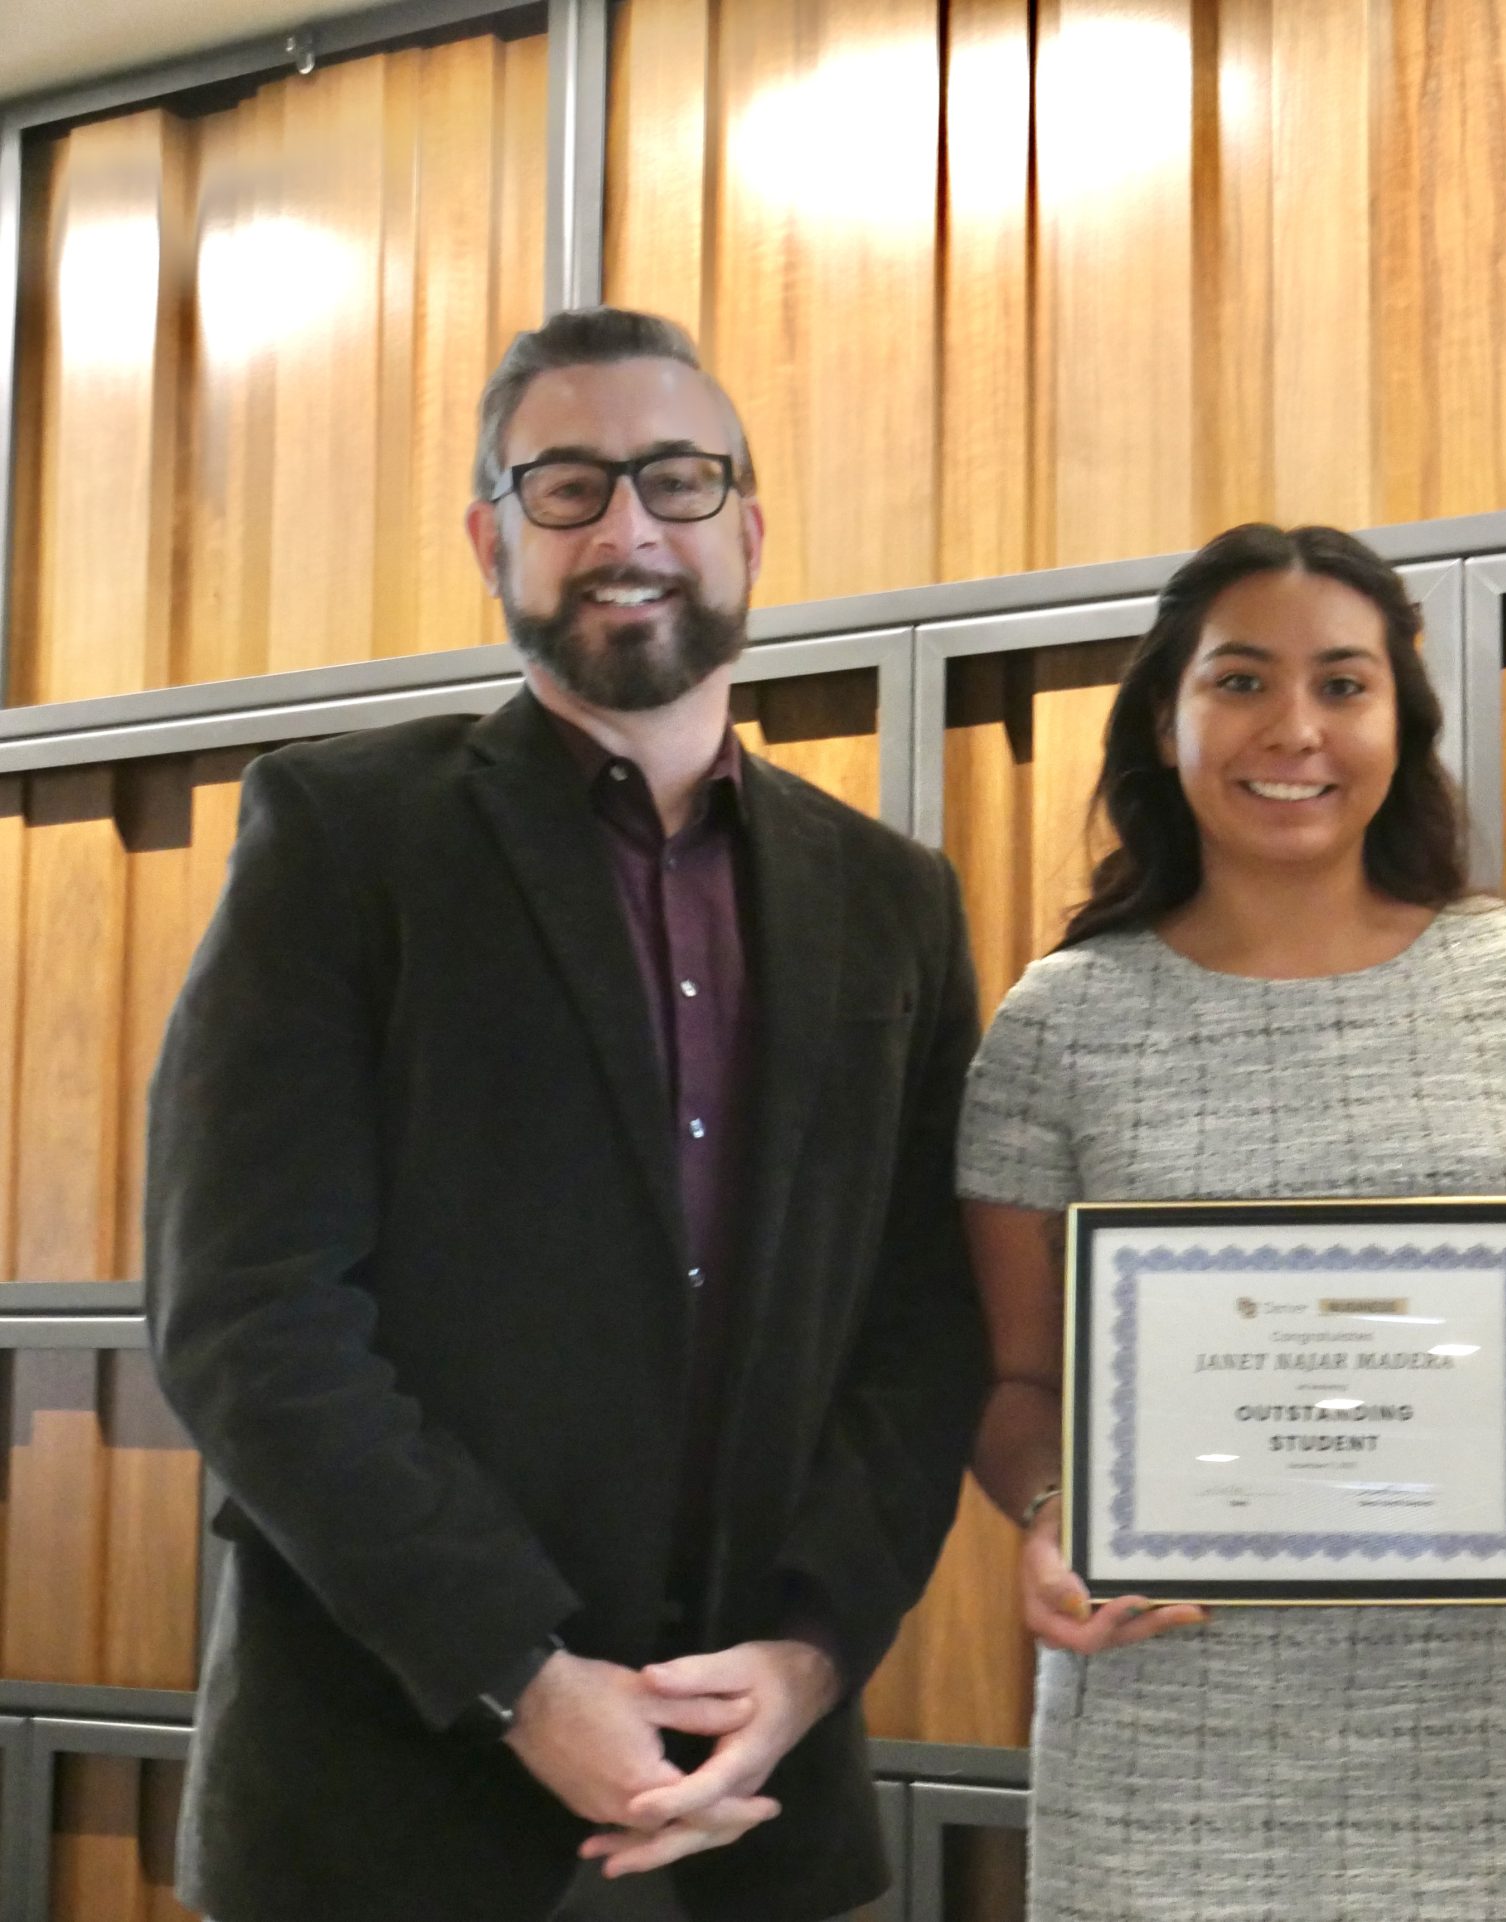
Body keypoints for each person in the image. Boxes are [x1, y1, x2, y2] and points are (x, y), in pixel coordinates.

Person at [145, 307, 985, 1922]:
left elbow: (925, 1325)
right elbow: (249, 1316)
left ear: (747, 522)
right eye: (568, 486)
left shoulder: (893, 899)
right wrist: (523, 1674)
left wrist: (808, 1659)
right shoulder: (340, 835)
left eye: (677, 480)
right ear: (490, 535)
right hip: (389, 1796)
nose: (628, 528)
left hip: (760, 1806)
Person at [957, 522, 1506, 1921]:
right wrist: (1048, 1517)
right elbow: (1014, 1386)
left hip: (1476, 1723)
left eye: (1344, 684)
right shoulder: (1059, 1022)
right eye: (1241, 680)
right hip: (1160, 1710)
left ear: (1401, 721)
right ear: (1166, 719)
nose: (1294, 727)